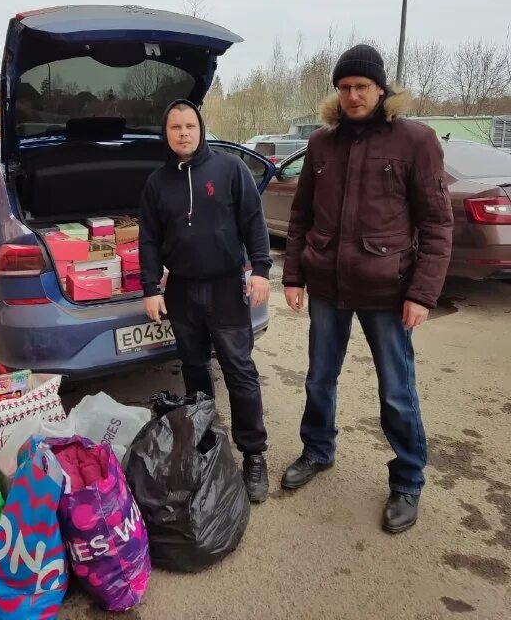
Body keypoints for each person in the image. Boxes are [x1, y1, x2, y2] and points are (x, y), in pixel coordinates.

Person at [281, 44, 453, 532]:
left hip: (388, 291)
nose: (352, 95)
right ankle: (317, 451)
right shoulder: (321, 144)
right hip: (327, 288)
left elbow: (438, 225)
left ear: (381, 89)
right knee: (319, 379)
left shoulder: (415, 141)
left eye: (361, 87)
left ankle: (407, 480)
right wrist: (294, 276)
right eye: (344, 87)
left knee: (397, 391)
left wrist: (421, 294)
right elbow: (300, 218)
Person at [139, 99, 272, 503]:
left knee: (239, 369)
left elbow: (253, 220)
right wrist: (150, 288)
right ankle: (207, 441)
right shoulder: (156, 184)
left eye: (190, 126)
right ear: (166, 133)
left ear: (201, 130)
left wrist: (262, 271)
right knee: (195, 371)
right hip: (181, 289)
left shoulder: (229, 169)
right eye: (175, 127)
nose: (183, 133)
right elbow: (147, 239)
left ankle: (254, 455)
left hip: (226, 287)